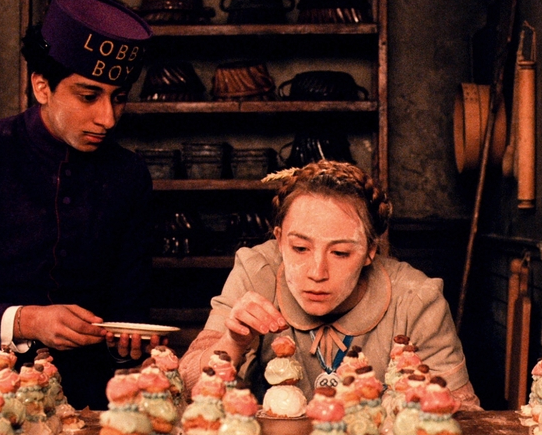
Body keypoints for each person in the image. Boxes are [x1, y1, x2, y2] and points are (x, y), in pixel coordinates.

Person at [0, 0, 156, 409]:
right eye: (88, 96)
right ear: (41, 86)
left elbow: (130, 309)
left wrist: (128, 342)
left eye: (119, 98)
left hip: (94, 405)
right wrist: (26, 321)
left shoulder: (129, 174)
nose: (107, 118)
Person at [179, 160, 480, 410]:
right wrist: (233, 342)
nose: (317, 272)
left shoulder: (417, 300)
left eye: (340, 253)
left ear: (370, 251)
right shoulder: (256, 273)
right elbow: (185, 389)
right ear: (280, 240)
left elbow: (467, 420)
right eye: (300, 248)